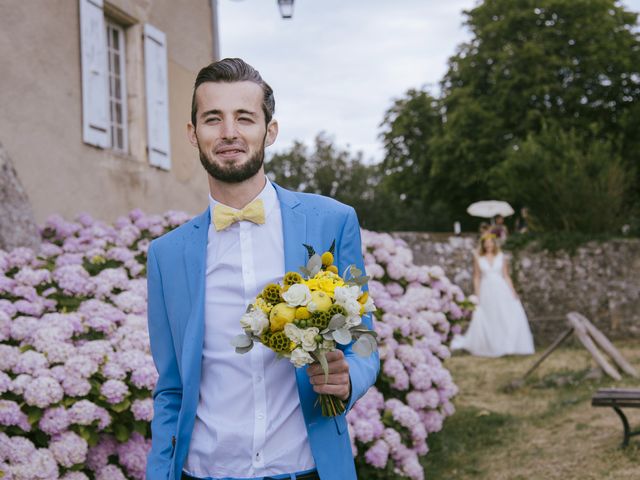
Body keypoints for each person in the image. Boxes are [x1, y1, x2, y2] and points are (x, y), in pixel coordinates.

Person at [145, 58, 379, 480]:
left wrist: (348, 381)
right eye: (213, 119)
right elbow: (171, 389)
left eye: (245, 118)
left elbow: (363, 343)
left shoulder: (331, 222)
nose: (229, 132)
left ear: (269, 131)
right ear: (192, 134)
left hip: (308, 469)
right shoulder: (166, 255)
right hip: (202, 471)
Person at [451, 233, 534, 357]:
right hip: (486, 290)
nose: (488, 244)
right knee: (490, 316)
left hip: (501, 289)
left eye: (491, 242)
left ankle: (508, 345)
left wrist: (513, 291)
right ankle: (491, 345)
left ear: (494, 243)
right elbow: (476, 277)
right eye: (486, 242)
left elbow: (506, 276)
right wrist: (477, 295)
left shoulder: (501, 256)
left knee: (505, 316)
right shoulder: (478, 257)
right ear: (483, 244)